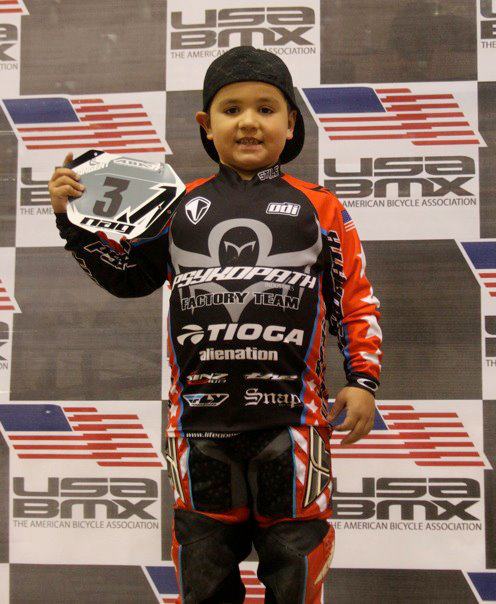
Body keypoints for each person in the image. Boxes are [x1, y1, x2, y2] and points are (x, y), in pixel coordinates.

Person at [48, 46, 382, 604]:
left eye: (266, 109)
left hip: (295, 424)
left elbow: (354, 299)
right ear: (206, 124)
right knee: (202, 574)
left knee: (297, 570)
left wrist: (363, 380)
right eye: (231, 109)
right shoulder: (176, 207)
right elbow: (129, 278)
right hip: (197, 426)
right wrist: (73, 224)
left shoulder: (321, 207)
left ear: (291, 122)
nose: (249, 122)